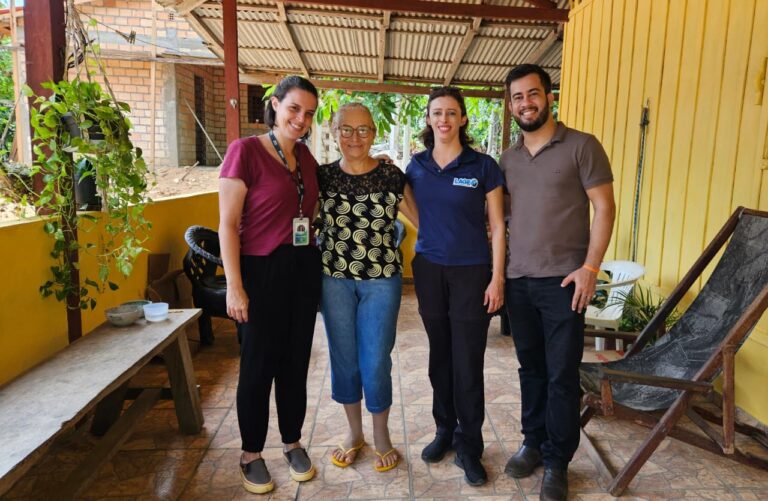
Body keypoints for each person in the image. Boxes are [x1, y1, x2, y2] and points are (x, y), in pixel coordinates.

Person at [500, 64, 615, 501]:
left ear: (549, 97)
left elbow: (604, 208)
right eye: (517, 97)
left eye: (532, 94)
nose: (525, 103)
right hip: (518, 280)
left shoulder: (582, 146)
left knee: (562, 375)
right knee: (531, 369)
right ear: (510, 105)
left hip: (565, 282)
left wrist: (590, 268)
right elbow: (501, 218)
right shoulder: (508, 160)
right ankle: (533, 442)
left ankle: (557, 460)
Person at [218, 76, 321, 495]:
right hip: (260, 271)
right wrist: (234, 286)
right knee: (258, 367)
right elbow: (227, 224)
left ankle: (292, 442)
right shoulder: (244, 152)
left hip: (302, 268)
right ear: (275, 105)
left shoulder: (308, 158)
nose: (301, 119)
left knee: (295, 364)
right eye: (294, 108)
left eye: (309, 113)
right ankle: (251, 453)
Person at [405, 87, 506, 487]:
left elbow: (498, 226)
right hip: (429, 269)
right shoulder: (414, 166)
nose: (443, 119)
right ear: (428, 120)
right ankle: (444, 430)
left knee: (467, 360)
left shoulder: (483, 166)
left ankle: (470, 444)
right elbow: (411, 209)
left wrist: (497, 277)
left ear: (463, 118)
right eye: (436, 113)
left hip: (471, 272)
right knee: (439, 357)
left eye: (451, 112)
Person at [317, 102, 418, 473]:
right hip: (334, 280)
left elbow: (424, 218)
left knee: (376, 359)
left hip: (382, 280)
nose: (355, 137)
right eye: (347, 129)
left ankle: (381, 435)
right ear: (334, 131)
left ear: (374, 133)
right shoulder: (322, 177)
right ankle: (354, 433)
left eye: (363, 130)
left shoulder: (392, 177)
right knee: (343, 357)